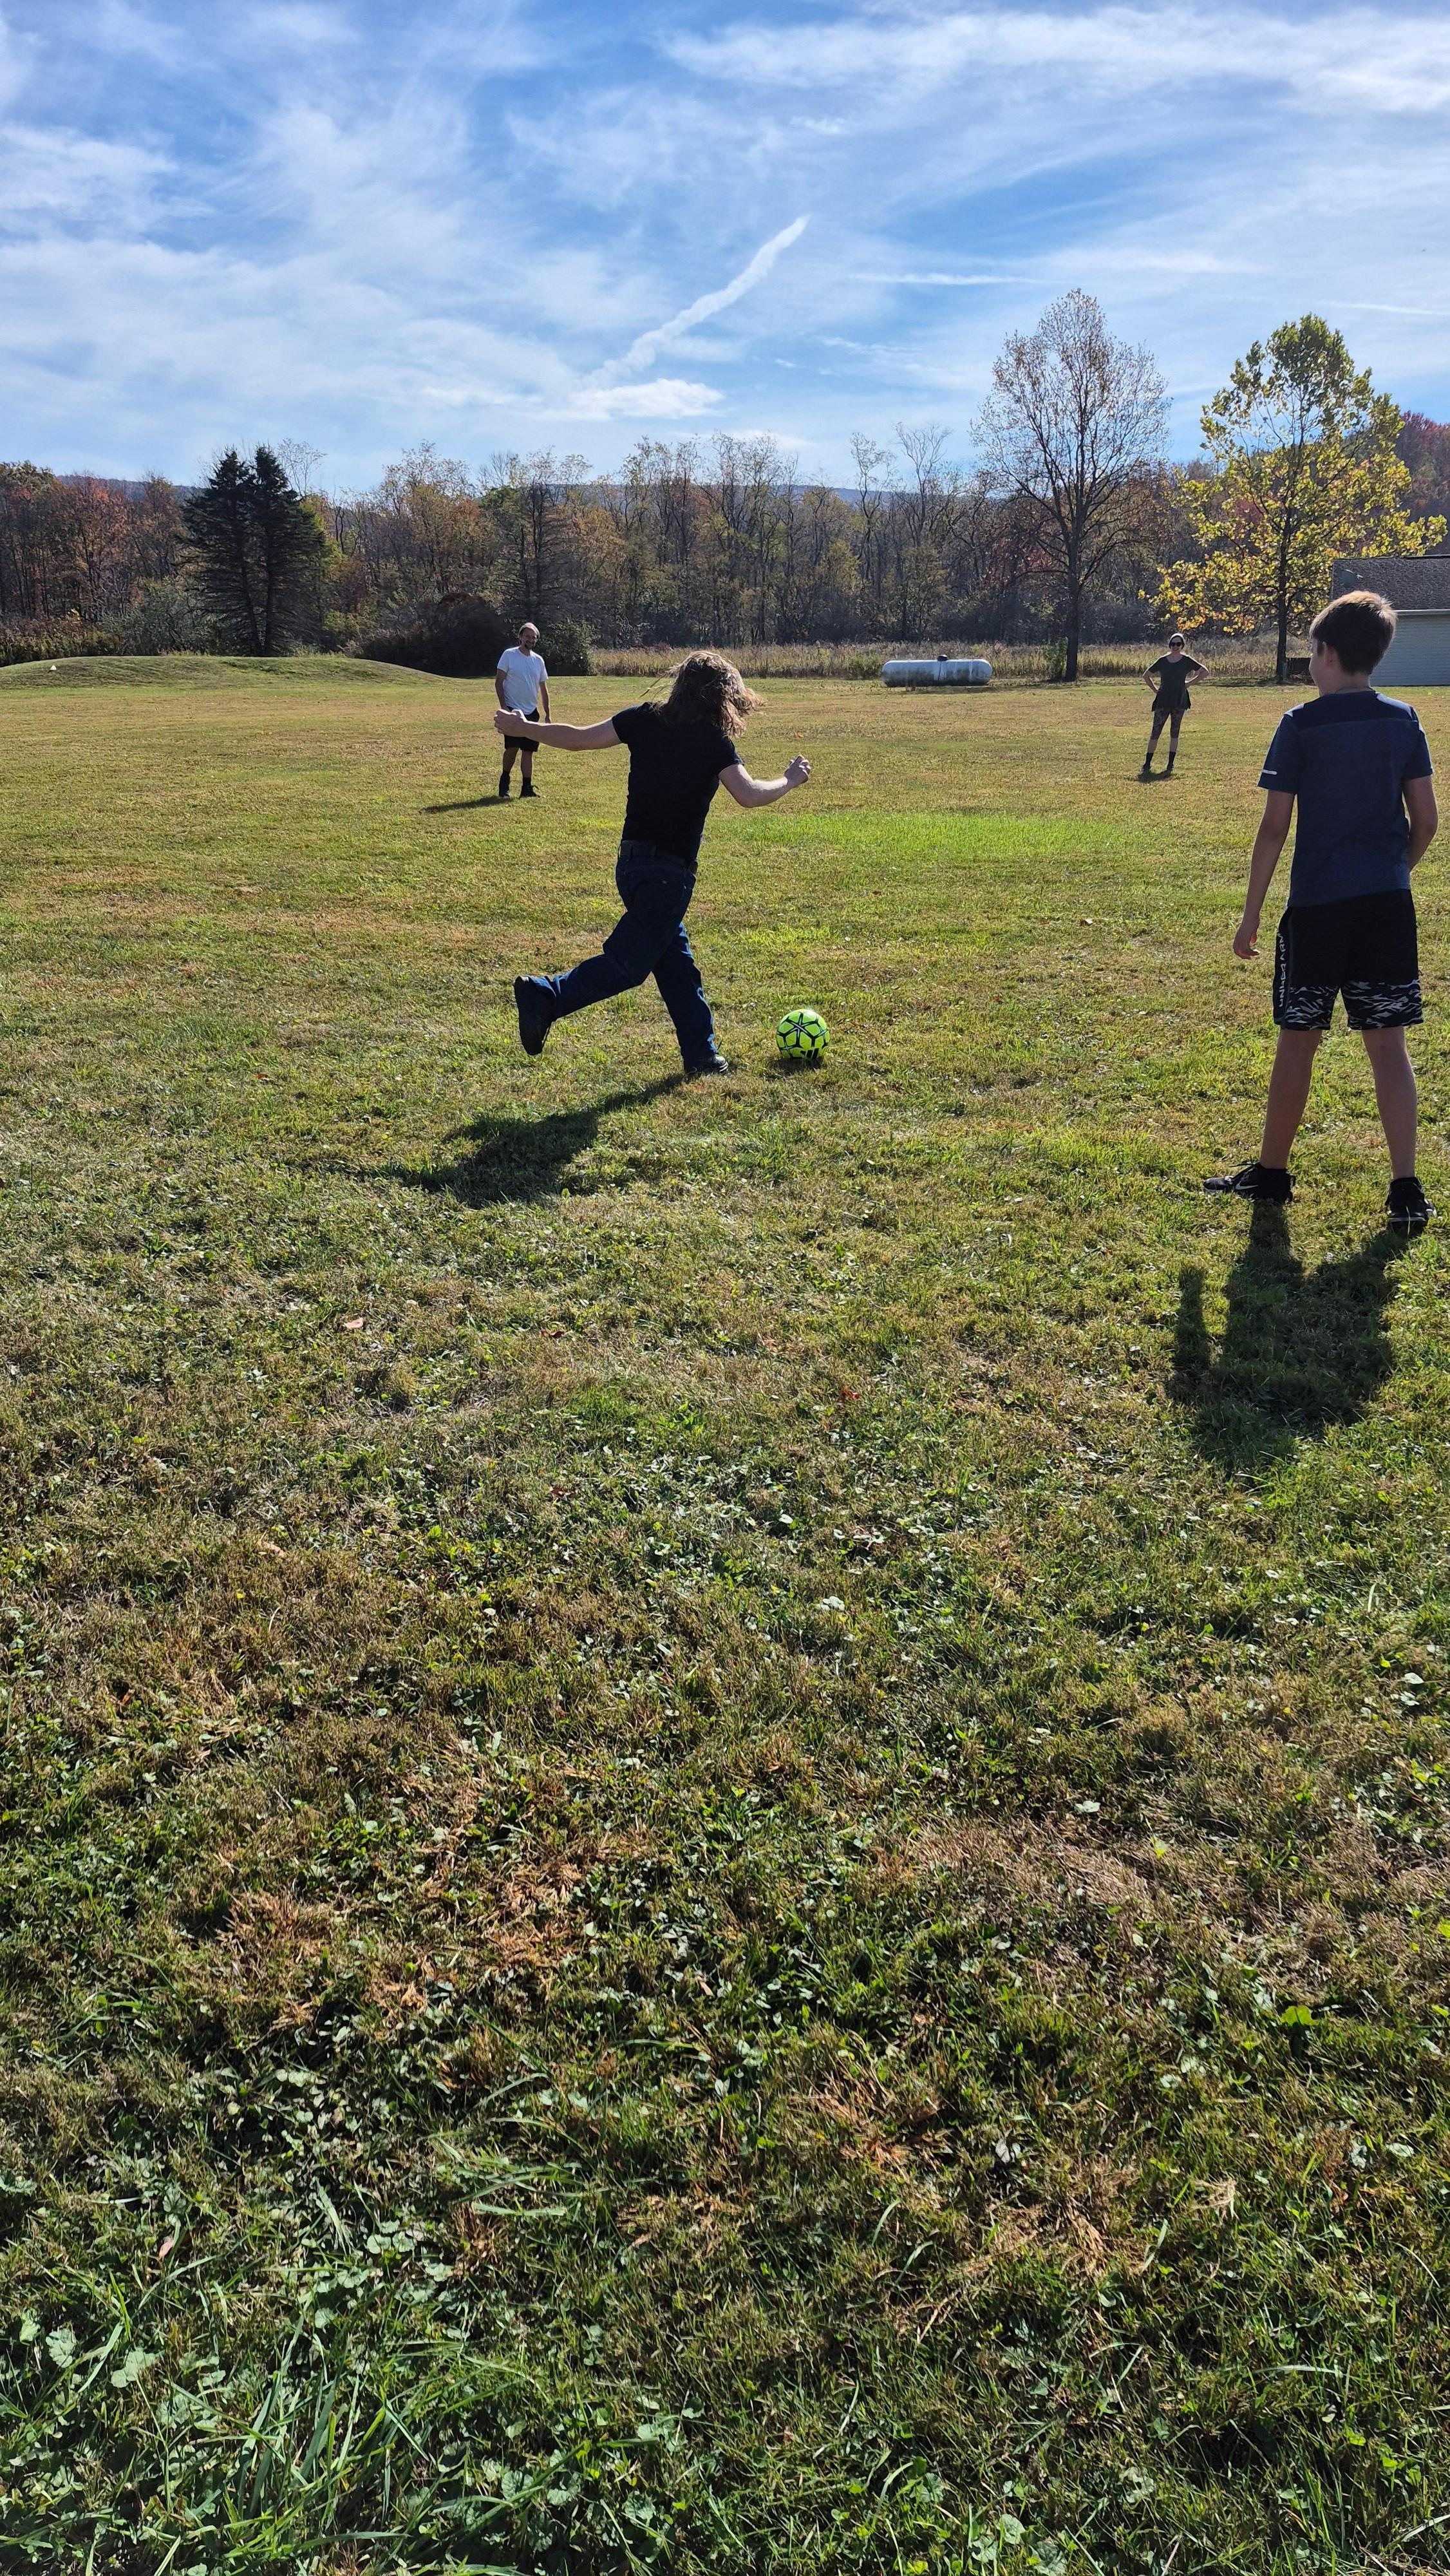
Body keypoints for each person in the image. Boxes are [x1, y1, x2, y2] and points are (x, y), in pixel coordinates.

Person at [1205, 589, 1438, 1231]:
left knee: (1298, 1041)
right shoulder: (1404, 720)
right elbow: (1425, 821)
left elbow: (1273, 828)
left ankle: (1272, 1173)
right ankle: (1405, 1189)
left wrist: (1251, 913)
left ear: (1327, 654)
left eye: (1311, 651)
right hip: (1385, 908)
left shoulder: (1299, 725)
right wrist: (1394, 872)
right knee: (1387, 1046)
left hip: (1317, 911)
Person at [498, 651, 811, 1076]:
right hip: (669, 876)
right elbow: (750, 794)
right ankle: (547, 994)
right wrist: (790, 780)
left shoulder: (645, 718)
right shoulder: (712, 741)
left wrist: (525, 728)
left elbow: (578, 738)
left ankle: (702, 1054)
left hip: (631, 867)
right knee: (627, 964)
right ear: (722, 697)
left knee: (676, 964)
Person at [1139, 633, 1208, 779]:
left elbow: (1204, 671)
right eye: (1173, 644)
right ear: (1169, 645)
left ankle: (1170, 764)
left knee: (1174, 732)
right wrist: (1155, 690)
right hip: (1163, 700)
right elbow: (1146, 675)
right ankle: (1147, 764)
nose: (1175, 647)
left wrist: (1189, 684)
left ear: (1182, 645)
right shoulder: (1163, 661)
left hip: (1179, 700)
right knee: (1155, 732)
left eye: (1178, 644)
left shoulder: (1187, 660)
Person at [495, 623, 551, 799]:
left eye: (534, 637)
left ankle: (527, 788)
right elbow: (499, 682)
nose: (531, 640)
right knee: (512, 748)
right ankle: (505, 782)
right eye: (527, 636)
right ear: (520, 637)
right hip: (513, 711)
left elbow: (543, 689)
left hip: (532, 713)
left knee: (528, 751)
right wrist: (505, 708)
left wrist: (547, 714)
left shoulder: (538, 660)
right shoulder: (509, 655)